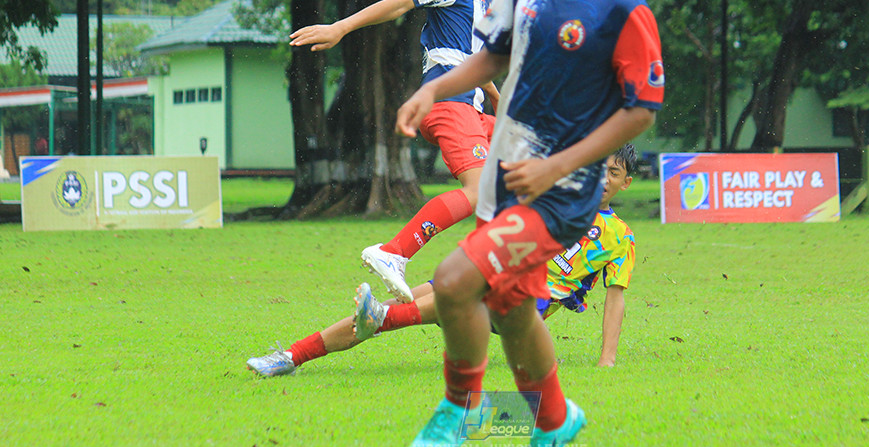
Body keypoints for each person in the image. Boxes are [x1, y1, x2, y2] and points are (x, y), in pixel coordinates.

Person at [393, 0, 663, 447]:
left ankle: (460, 406)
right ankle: (556, 419)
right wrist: (434, 89)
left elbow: (640, 112)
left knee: (455, 282)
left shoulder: (625, 10)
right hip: (505, 176)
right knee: (511, 310)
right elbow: (490, 57)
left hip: (561, 191)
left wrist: (556, 166)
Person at [289, 0, 532, 304]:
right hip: (449, 104)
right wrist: (340, 28)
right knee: (478, 190)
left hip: (471, 107)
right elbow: (400, 3)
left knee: (524, 167)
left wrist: (497, 96)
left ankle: (493, 264)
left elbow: (472, 58)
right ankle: (393, 253)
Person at [245, 145, 639, 377]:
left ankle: (379, 318)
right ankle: (292, 356)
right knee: (403, 304)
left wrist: (607, 359)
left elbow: (615, 299)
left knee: (413, 307)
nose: (602, 179)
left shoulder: (620, 236)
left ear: (626, 183)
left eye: (613, 173)